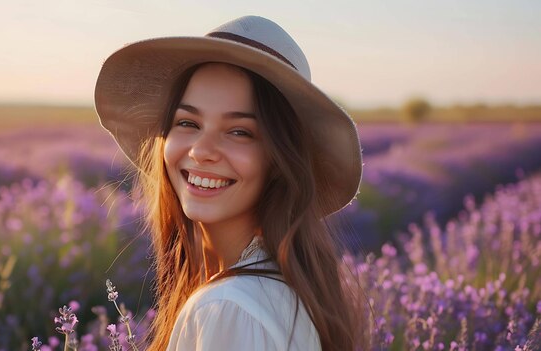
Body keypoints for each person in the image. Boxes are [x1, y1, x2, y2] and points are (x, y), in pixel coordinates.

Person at [95, 15, 369, 351]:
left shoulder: (229, 308)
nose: (201, 151)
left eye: (239, 131)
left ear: (280, 161)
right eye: (187, 122)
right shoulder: (282, 292)